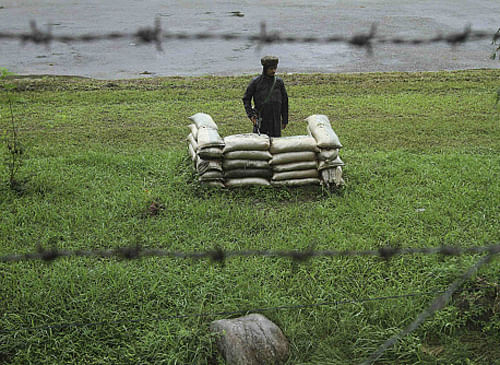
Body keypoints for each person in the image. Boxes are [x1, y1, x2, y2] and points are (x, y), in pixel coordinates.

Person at [242, 56, 289, 137]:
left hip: (275, 120)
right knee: (260, 144)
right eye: (271, 69)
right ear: (265, 69)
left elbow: (285, 101)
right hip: (261, 119)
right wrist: (251, 115)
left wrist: (285, 120)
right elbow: (246, 99)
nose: (274, 71)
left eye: (275, 68)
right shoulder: (256, 82)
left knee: (276, 144)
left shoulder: (279, 82)